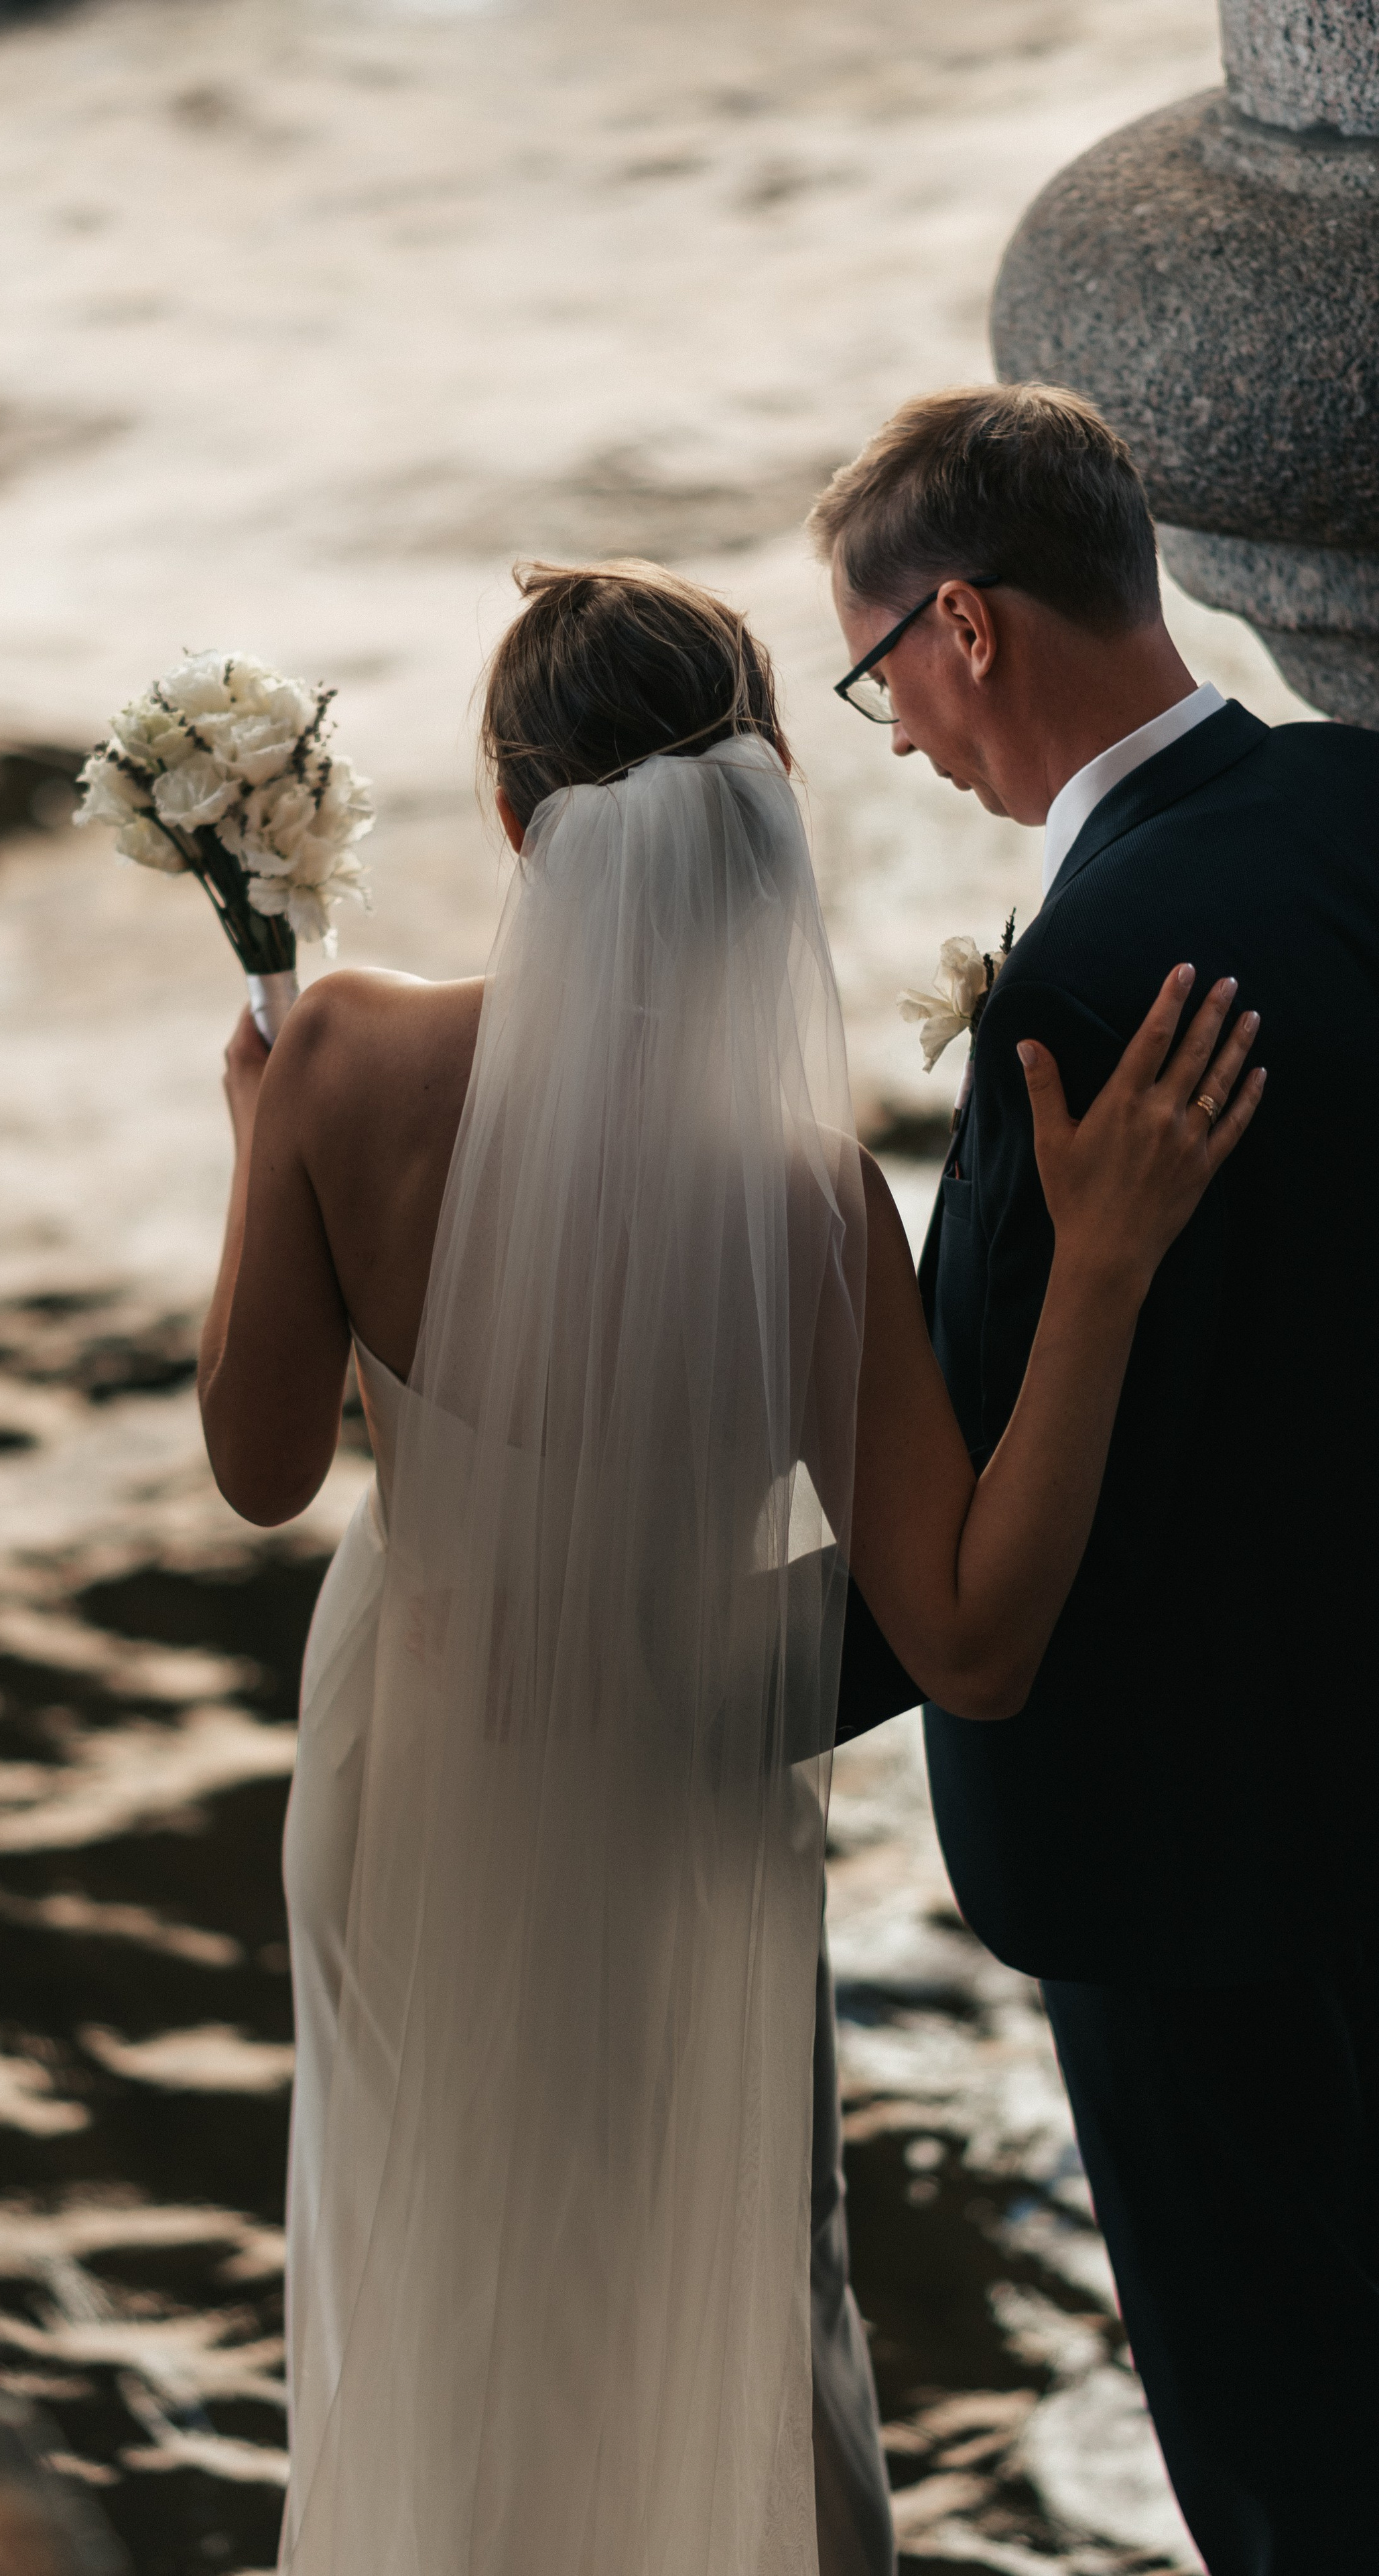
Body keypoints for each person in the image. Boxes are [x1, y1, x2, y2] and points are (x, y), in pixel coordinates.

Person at [196, 558, 1259, 2576]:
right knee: (728, 2323)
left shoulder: (336, 1058)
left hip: (406, 1779)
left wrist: (263, 1153)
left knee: (434, 2300)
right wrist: (1103, 1273)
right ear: (758, 796)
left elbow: (259, 1472)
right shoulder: (801, 1203)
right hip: (672, 1809)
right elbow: (971, 1636)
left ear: (521, 828)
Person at [811, 381, 1379, 2576]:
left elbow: (967, 1517)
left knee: (1288, 2441)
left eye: (878, 674)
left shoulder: (1083, 987)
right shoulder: (1353, 805)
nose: (890, 735)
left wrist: (663, 1681)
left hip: (1193, 1880)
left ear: (965, 624)